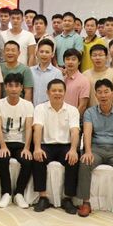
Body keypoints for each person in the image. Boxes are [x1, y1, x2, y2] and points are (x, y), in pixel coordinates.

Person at [76, 79, 113, 220]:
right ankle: (85, 203)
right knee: (85, 163)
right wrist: (88, 151)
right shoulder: (90, 112)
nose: (103, 95)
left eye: (106, 92)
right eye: (100, 92)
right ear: (95, 95)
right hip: (96, 149)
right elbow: (87, 133)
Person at [32, 78, 80, 214]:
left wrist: (73, 149)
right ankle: (43, 197)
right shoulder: (40, 108)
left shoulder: (72, 110)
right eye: (54, 90)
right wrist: (37, 148)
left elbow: (75, 131)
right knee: (38, 157)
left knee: (73, 160)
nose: (57, 93)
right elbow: (38, 128)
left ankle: (68, 199)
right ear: (48, 92)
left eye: (60, 90)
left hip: (65, 145)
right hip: (46, 145)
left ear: (65, 92)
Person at [0, 73, 34, 209]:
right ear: (5, 87)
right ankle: (6, 193)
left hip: (21, 143)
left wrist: (27, 148)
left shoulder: (28, 105)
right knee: (2, 158)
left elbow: (28, 128)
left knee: (27, 160)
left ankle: (19, 194)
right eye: (10, 86)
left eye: (17, 86)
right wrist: (3, 146)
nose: (14, 89)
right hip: (3, 142)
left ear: (21, 88)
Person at [31, 39, 64, 107]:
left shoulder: (57, 73)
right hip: (32, 109)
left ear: (52, 54)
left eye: (47, 52)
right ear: (37, 53)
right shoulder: (31, 71)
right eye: (41, 51)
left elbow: (59, 95)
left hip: (49, 110)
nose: (44, 54)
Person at [61, 49, 90, 116]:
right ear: (64, 61)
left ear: (79, 62)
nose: (70, 62)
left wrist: (72, 119)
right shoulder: (60, 78)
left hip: (73, 119)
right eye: (67, 59)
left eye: (73, 59)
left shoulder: (84, 80)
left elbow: (83, 106)